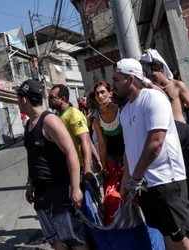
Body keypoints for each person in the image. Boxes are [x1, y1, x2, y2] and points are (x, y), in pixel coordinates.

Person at [113, 58, 189, 250]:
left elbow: (156, 142)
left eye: (116, 79)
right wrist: (126, 181)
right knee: (166, 232)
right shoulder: (126, 110)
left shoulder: (153, 98)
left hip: (166, 180)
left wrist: (135, 178)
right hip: (145, 185)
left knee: (183, 236)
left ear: (130, 79)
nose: (113, 85)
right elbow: (129, 149)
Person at [17, 80, 87, 250]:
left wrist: (76, 188)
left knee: (73, 238)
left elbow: (71, 151)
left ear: (24, 100)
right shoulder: (29, 124)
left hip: (59, 190)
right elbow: (33, 157)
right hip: (41, 194)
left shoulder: (49, 120)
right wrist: (30, 184)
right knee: (54, 239)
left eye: (18, 98)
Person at [92, 82, 126, 225]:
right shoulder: (97, 119)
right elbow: (102, 144)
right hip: (112, 157)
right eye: (97, 94)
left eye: (103, 92)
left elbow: (130, 137)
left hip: (127, 155)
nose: (100, 96)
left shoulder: (121, 110)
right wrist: (104, 165)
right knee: (111, 193)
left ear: (110, 93)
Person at [49, 84, 94, 182]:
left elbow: (85, 141)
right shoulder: (59, 116)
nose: (49, 99)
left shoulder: (73, 114)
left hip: (79, 167)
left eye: (52, 97)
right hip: (67, 167)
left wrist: (87, 167)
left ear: (63, 99)